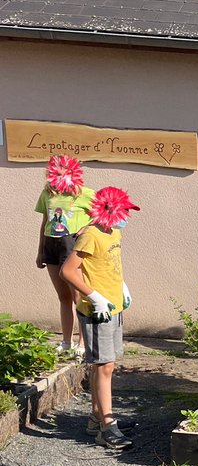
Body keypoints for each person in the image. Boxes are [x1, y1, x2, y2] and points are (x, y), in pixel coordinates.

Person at [59, 186, 139, 450]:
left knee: (106, 366)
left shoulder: (113, 232)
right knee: (104, 367)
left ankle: (97, 417)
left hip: (113, 306)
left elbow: (108, 265)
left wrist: (122, 286)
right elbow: (68, 271)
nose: (127, 217)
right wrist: (94, 297)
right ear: (110, 210)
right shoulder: (91, 235)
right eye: (124, 211)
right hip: (97, 311)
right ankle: (107, 427)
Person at [34, 155, 95, 355]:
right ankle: (66, 341)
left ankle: (83, 343)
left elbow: (104, 212)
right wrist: (40, 250)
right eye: (55, 172)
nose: (59, 176)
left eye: (64, 172)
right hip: (51, 244)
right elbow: (45, 222)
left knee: (78, 296)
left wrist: (86, 229)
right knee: (63, 297)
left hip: (70, 245)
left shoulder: (82, 193)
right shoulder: (47, 194)